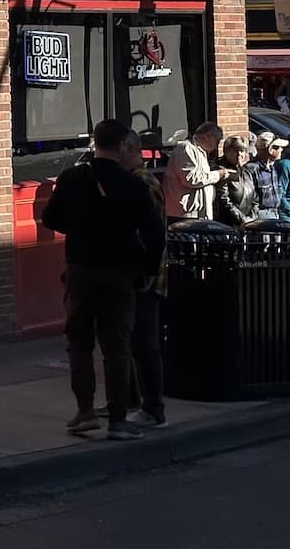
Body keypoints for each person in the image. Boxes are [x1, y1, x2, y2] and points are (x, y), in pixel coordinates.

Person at [43, 119, 165, 442]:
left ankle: (85, 411)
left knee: (79, 342)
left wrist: (81, 227)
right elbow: (155, 233)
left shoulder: (72, 178)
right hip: (120, 272)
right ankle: (118, 418)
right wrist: (148, 269)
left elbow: (50, 218)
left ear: (95, 141)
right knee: (117, 346)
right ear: (123, 144)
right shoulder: (134, 185)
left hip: (80, 267)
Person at [121, 131, 169, 429]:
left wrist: (148, 273)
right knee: (125, 339)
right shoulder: (133, 181)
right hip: (137, 274)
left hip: (146, 277)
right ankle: (128, 400)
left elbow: (151, 234)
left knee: (144, 341)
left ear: (130, 149)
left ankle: (152, 408)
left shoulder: (142, 182)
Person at [161, 121, 228, 221]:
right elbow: (191, 178)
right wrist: (218, 175)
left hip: (196, 214)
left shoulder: (199, 151)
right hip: (184, 215)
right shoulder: (186, 148)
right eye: (216, 142)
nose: (216, 147)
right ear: (208, 136)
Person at [214, 134, 260, 226]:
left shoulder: (246, 172)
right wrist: (243, 220)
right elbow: (224, 200)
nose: (239, 154)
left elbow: (255, 199)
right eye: (235, 151)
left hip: (247, 224)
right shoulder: (222, 171)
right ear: (226, 151)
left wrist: (252, 218)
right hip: (227, 225)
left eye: (242, 151)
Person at [246, 132, 285, 220]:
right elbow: (249, 198)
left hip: (274, 213)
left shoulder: (272, 167)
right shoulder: (252, 169)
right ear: (270, 149)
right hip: (260, 216)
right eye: (278, 147)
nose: (281, 150)